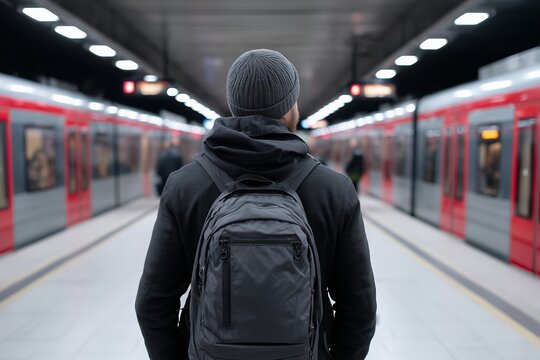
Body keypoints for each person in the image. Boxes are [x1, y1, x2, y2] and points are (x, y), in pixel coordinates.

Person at [136, 49, 377, 360]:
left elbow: (152, 304)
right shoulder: (334, 190)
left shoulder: (185, 186)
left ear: (233, 106)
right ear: (291, 108)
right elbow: (360, 310)